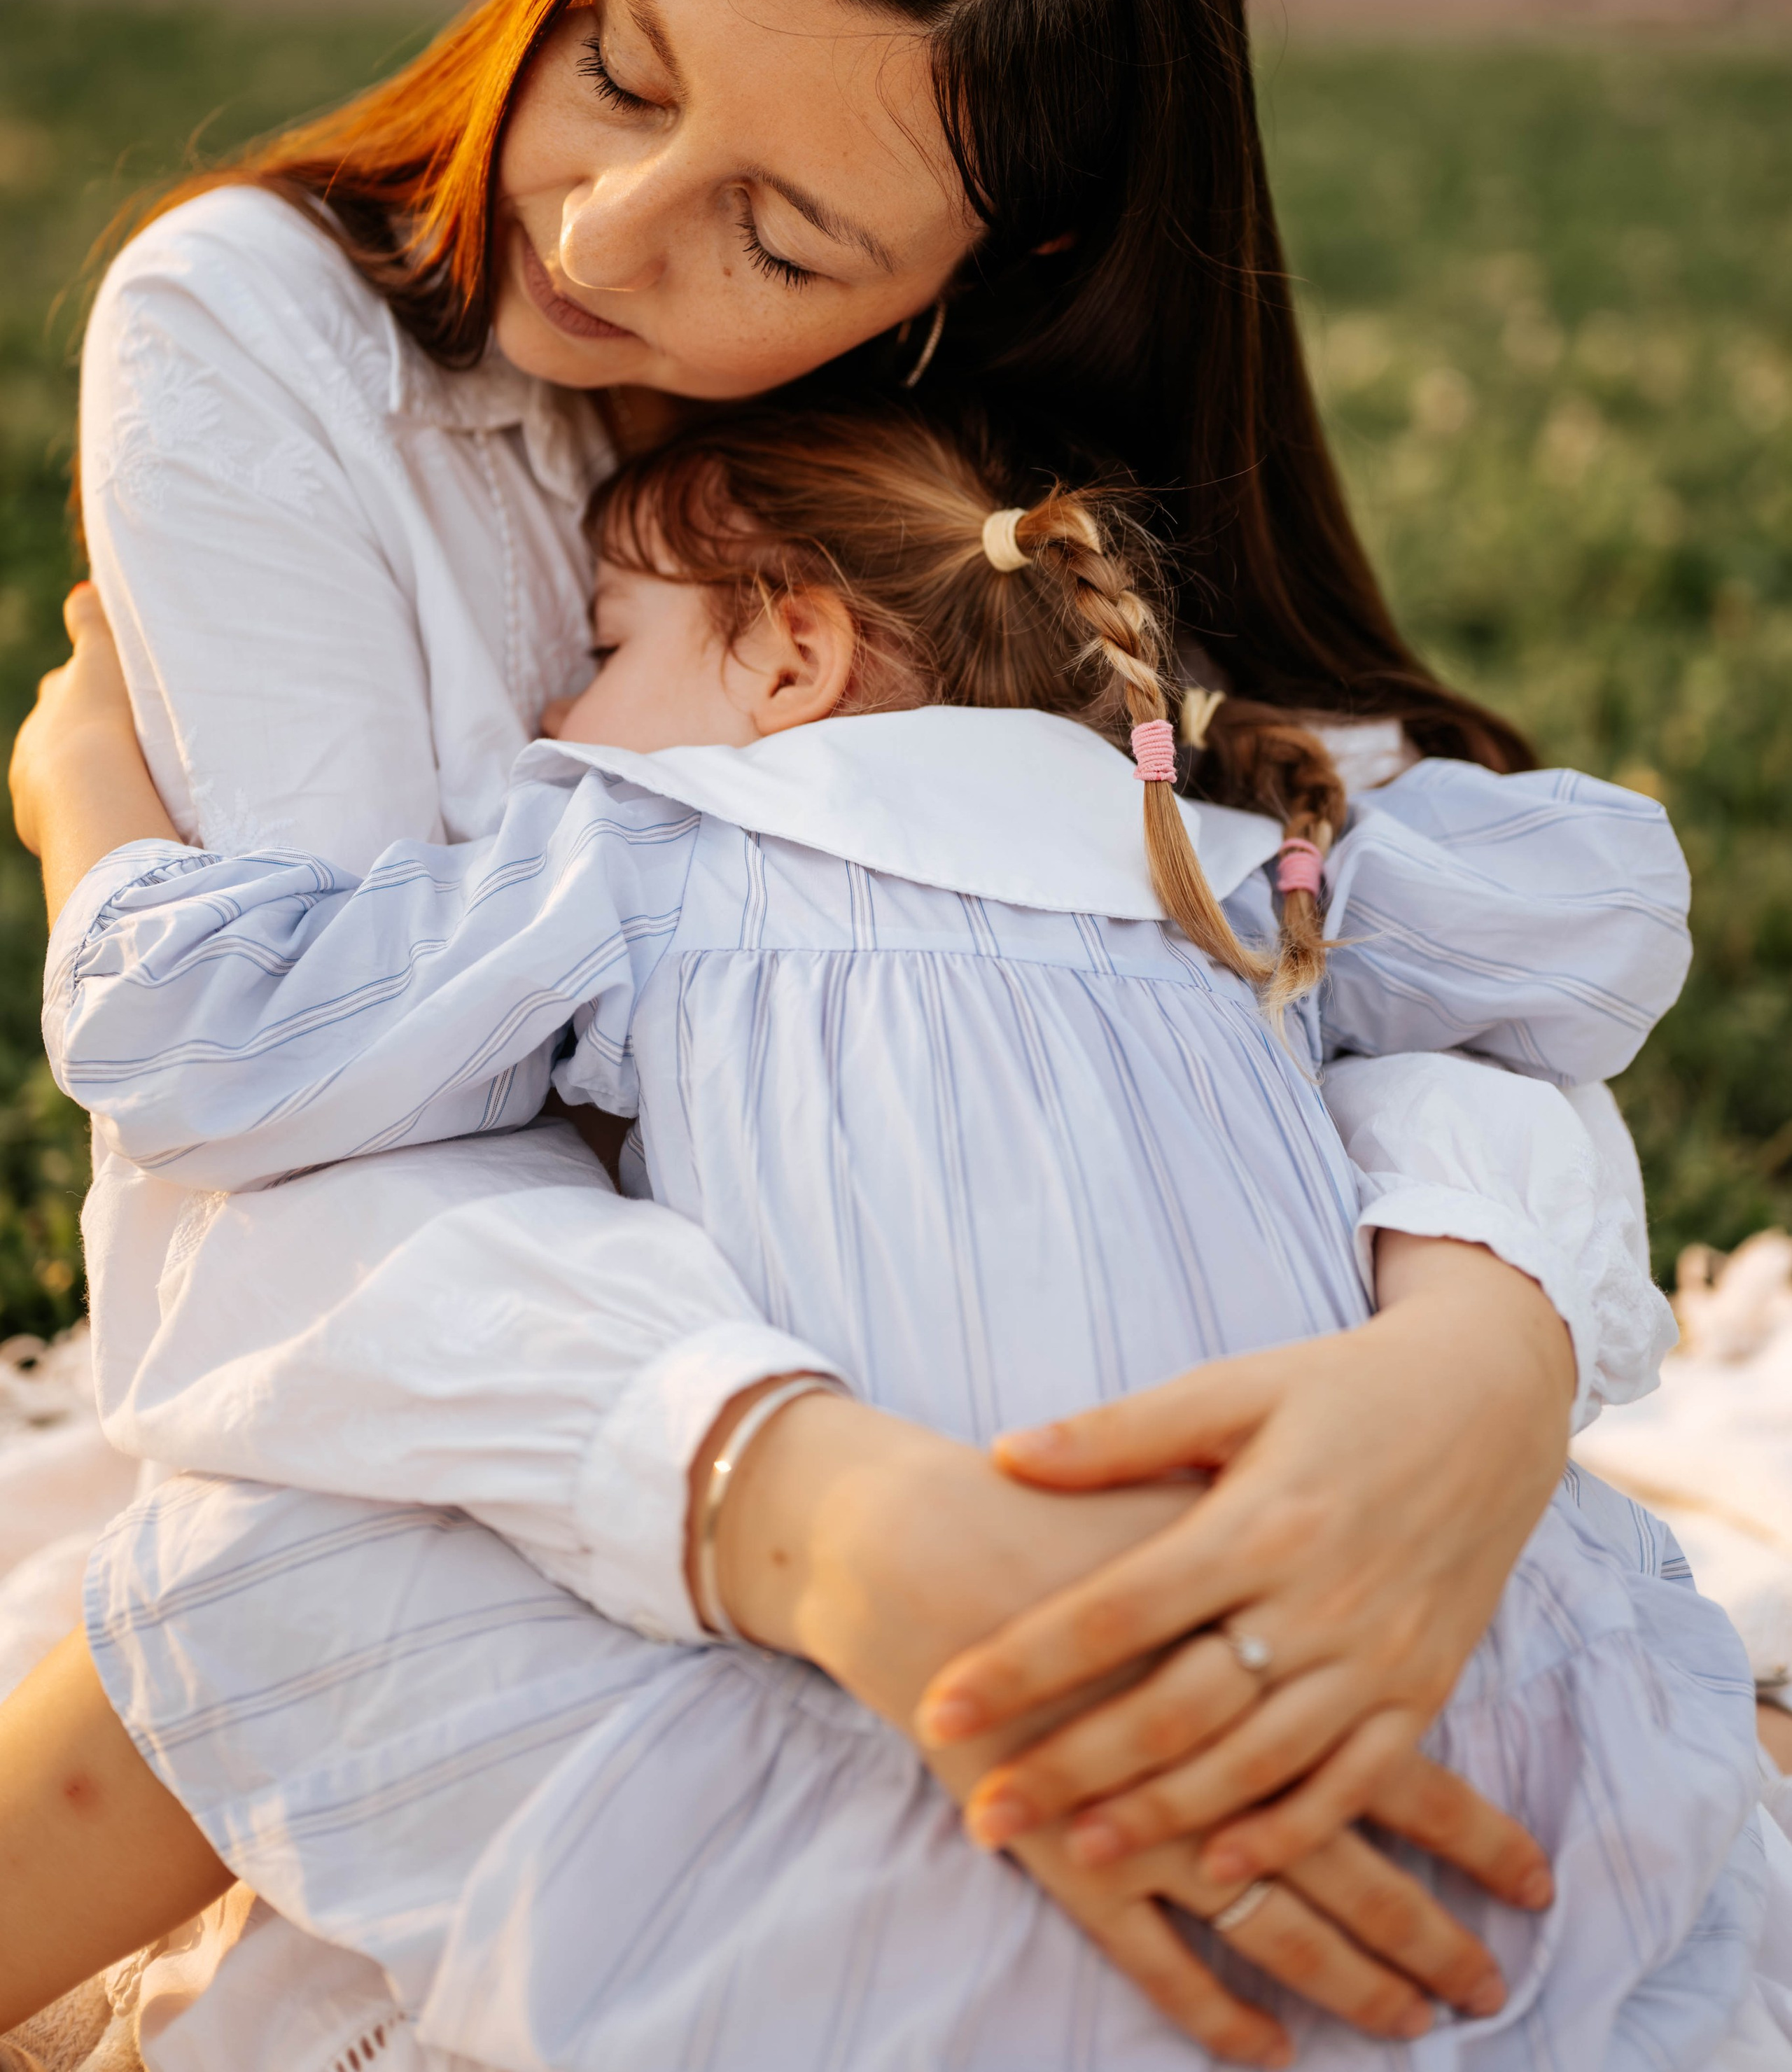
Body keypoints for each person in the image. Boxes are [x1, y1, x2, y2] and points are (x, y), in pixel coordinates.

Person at [0, 0, 1687, 2062]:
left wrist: (1473, 1360)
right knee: (280, 1586)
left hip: (1066, 1452)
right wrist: (823, 1512)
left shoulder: (958, 508)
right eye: (615, 66)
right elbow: (334, 1150)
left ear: (973, 284)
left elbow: (1364, 945)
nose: (598, 228)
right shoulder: (264, 340)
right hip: (596, 1445)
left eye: (779, 234)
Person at [15, 401, 1774, 2071]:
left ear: (789, 653)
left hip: (919, 1794)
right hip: (1396, 1751)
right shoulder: (1224, 872)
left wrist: (80, 781)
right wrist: (1303, 807)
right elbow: (1596, 917)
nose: (559, 705)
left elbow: (208, 1040)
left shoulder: (648, 850)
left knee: (263, 1552)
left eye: (606, 643)